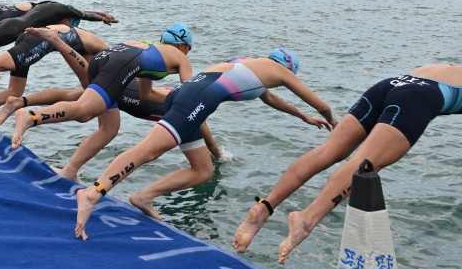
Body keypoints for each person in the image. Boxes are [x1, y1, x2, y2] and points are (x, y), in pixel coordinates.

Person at [231, 63, 462, 264]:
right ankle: (305, 219)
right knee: (364, 164)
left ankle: (265, 207)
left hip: (389, 86)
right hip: (418, 98)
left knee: (327, 151)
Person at [71, 49, 336, 239]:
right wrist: (335, 123)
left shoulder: (249, 64)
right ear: (287, 68)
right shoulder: (278, 70)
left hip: (183, 94)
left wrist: (303, 117)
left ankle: (143, 197)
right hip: (195, 101)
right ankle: (94, 193)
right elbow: (321, 103)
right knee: (148, 151)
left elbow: (271, 99)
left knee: (202, 170)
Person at [9, 22, 194, 152]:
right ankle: (31, 116)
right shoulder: (180, 57)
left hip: (106, 57)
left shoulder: (152, 48)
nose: (188, 53)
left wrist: (168, 97)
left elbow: (146, 93)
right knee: (84, 110)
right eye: (189, 49)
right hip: (119, 65)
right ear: (183, 45)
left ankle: (70, 171)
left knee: (109, 128)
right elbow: (191, 96)